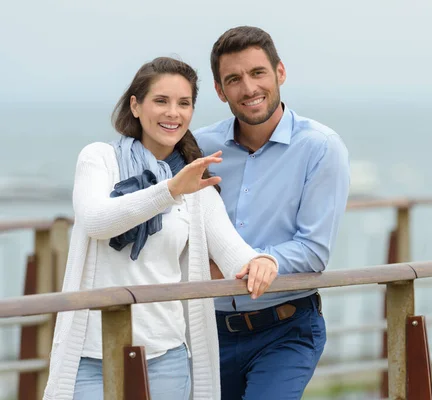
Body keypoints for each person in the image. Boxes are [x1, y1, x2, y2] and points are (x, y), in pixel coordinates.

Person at [43, 56, 278, 400]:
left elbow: (232, 251)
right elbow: (97, 221)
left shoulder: (192, 182)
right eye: (161, 101)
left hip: (166, 357)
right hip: (91, 356)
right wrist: (168, 191)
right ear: (136, 106)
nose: (173, 113)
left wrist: (262, 262)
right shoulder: (99, 159)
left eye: (184, 103)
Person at [193, 26, 351, 399]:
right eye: (234, 79)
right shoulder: (200, 147)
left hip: (285, 328)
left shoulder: (320, 147)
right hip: (206, 331)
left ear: (280, 72)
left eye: (257, 73)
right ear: (220, 90)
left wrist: (261, 261)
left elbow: (313, 250)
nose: (248, 89)